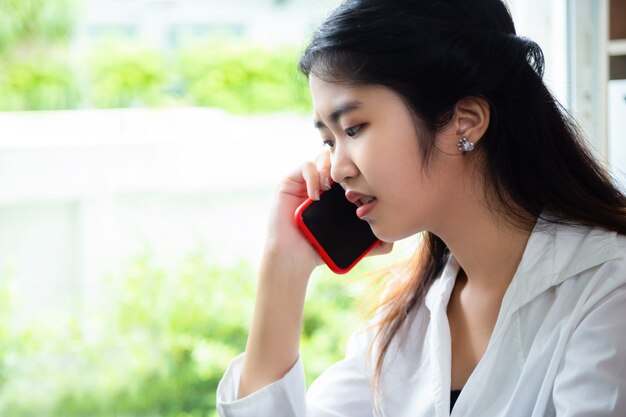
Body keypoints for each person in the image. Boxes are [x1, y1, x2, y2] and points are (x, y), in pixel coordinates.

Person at [216, 0, 626, 415]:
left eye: (353, 128)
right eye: (328, 141)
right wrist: (282, 266)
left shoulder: (608, 292)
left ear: (465, 121)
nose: (337, 169)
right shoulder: (399, 325)